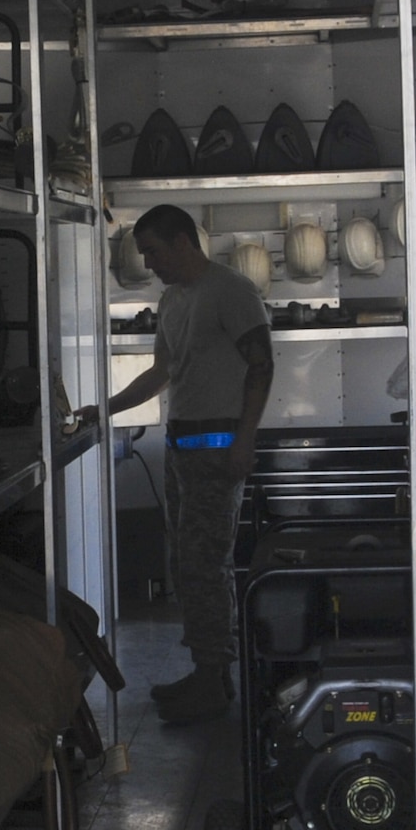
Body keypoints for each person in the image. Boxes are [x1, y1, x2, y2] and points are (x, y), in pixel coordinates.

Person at [77, 204, 274, 724]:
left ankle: (212, 680)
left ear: (183, 242)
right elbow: (161, 372)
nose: (149, 263)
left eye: (153, 252)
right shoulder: (172, 300)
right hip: (183, 447)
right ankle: (209, 670)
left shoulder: (231, 291)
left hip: (218, 447)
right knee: (188, 566)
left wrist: (245, 440)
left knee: (205, 565)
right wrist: (106, 408)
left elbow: (261, 365)